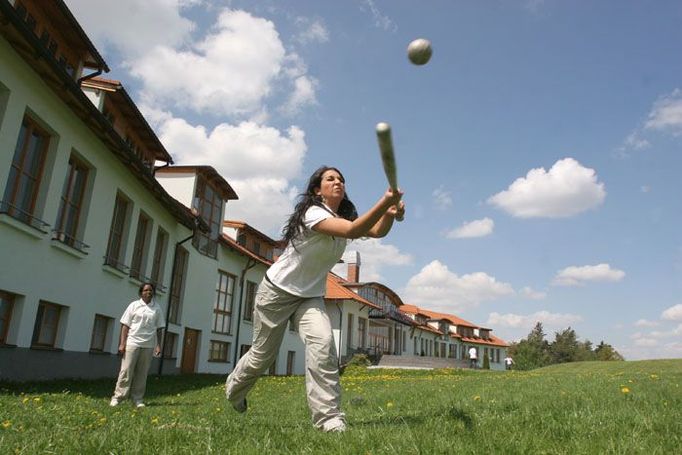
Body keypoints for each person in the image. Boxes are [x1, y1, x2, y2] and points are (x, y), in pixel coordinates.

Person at [225, 166, 405, 432]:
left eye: (342, 179)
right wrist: (385, 200)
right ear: (316, 190)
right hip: (277, 291)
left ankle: (329, 418)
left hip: (310, 296)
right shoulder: (312, 214)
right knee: (263, 355)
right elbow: (355, 230)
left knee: (323, 346)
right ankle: (235, 389)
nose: (338, 182)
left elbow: (376, 231)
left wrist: (389, 213)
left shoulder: (341, 217)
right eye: (330, 179)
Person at [110, 282, 165, 408]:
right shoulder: (134, 305)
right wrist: (122, 343)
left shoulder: (157, 308)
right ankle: (118, 397)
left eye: (151, 290)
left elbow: (159, 328)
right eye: (146, 290)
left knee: (142, 373)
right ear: (141, 292)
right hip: (132, 342)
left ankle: (137, 399)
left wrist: (158, 345)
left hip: (148, 345)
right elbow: (125, 325)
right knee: (126, 371)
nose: (148, 292)